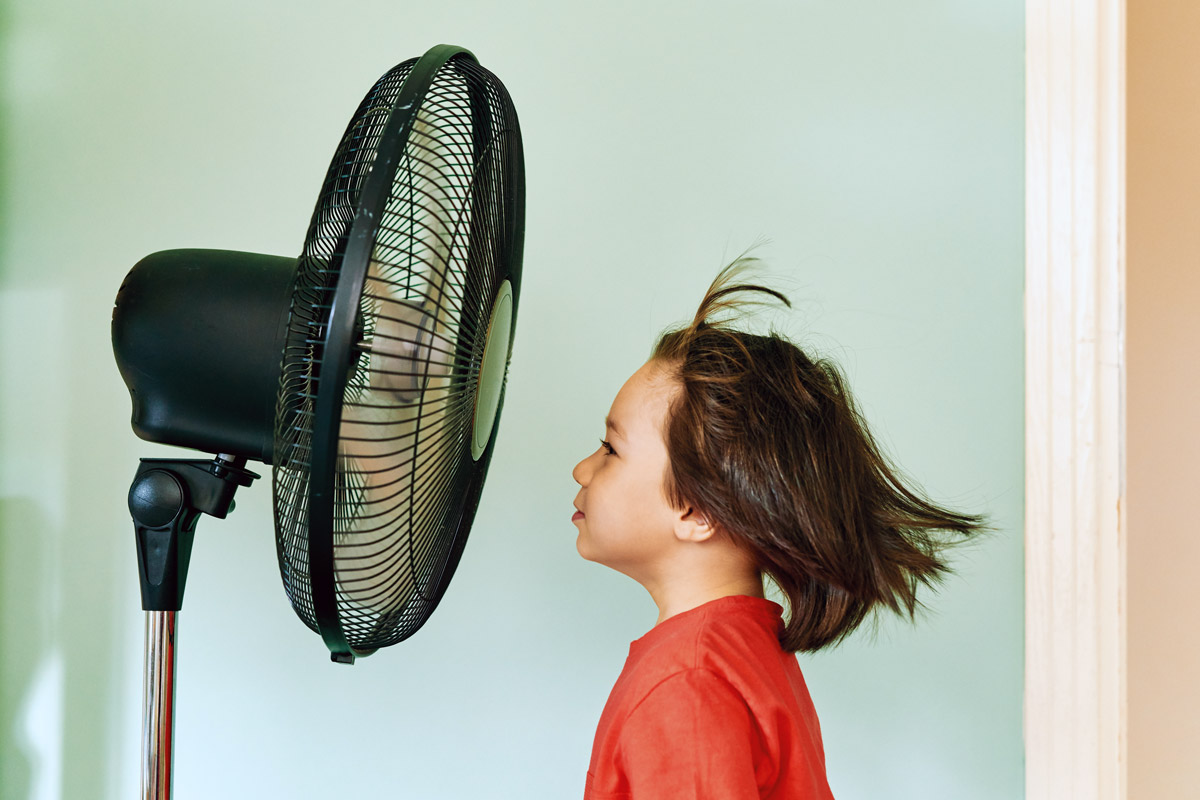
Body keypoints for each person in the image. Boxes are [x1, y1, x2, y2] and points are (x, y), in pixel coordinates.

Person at [570, 253, 987, 799]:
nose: (582, 468)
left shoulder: (688, 680)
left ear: (697, 510)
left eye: (610, 449)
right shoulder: (744, 648)